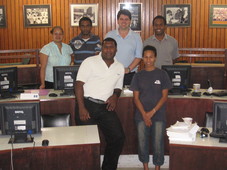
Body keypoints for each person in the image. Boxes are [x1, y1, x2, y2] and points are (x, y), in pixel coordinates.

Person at [75, 37, 125, 170]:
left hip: (105, 107)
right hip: (87, 105)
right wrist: (81, 108)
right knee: (88, 144)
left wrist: (115, 96)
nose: (108, 49)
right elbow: (79, 85)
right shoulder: (89, 62)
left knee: (118, 138)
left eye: (111, 47)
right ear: (101, 48)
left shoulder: (119, 67)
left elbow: (118, 87)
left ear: (116, 49)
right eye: (106, 47)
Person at [130, 45, 172, 170]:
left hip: (158, 115)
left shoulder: (162, 74)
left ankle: (157, 168)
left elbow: (164, 97)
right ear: (142, 58)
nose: (148, 60)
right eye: (146, 57)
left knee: (158, 143)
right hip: (141, 115)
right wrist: (144, 114)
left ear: (155, 58)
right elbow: (136, 98)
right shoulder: (138, 76)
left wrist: (151, 113)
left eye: (151, 57)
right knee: (142, 142)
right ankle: (145, 167)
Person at [105, 9, 143, 86]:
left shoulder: (136, 37)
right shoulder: (109, 35)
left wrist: (128, 69)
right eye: (121, 19)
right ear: (117, 21)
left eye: (126, 19)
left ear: (130, 21)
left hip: (130, 74)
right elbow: (104, 54)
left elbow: (138, 56)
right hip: (112, 73)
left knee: (129, 97)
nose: (124, 21)